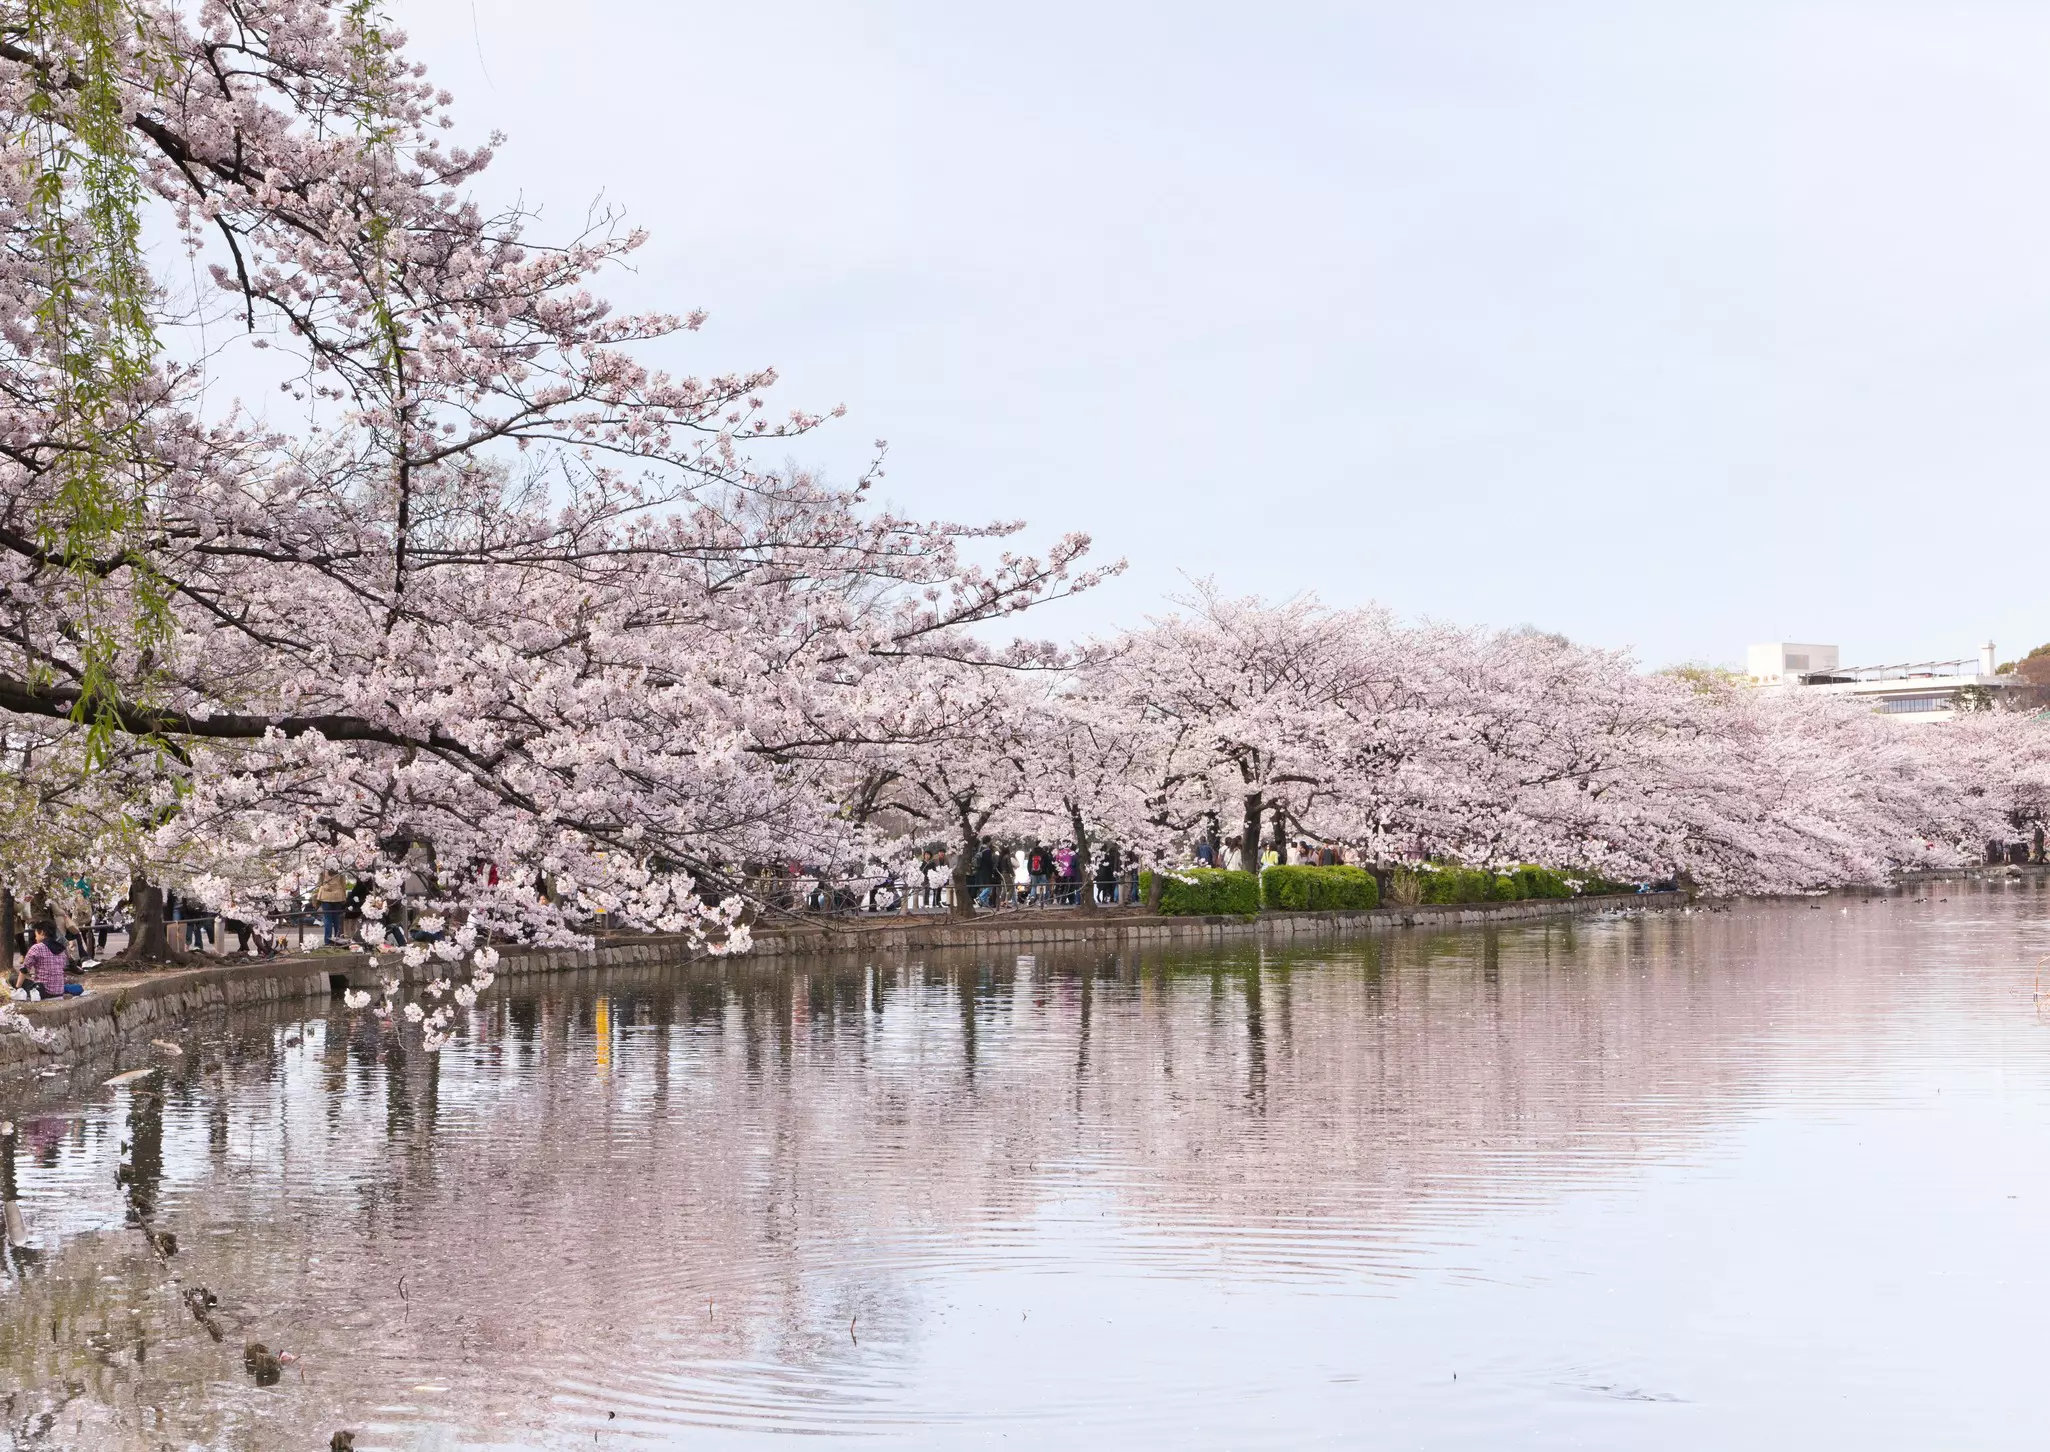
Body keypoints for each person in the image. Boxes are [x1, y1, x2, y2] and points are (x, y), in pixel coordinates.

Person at [11, 924, 72, 1001]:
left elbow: (24, 970)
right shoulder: (62, 950)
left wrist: (18, 988)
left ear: (42, 933)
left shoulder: (37, 948)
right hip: (59, 991)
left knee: (13, 978)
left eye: (36, 935)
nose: (35, 938)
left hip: (42, 992)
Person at [315, 869, 348, 946]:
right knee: (337, 919)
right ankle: (338, 940)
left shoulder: (324, 868)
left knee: (327, 920)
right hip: (338, 897)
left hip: (325, 896)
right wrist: (344, 897)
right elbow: (343, 884)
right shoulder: (340, 869)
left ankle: (327, 941)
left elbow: (319, 883)